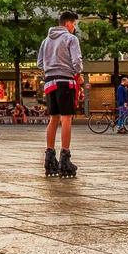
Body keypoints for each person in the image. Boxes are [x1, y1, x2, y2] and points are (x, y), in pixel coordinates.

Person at [37, 11, 83, 177]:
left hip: (50, 82)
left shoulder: (46, 40)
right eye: (74, 24)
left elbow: (39, 63)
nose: (74, 28)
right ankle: (65, 157)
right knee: (66, 118)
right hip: (65, 80)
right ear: (69, 23)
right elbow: (77, 61)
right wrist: (77, 71)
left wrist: (50, 69)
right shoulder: (71, 39)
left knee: (53, 119)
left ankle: (49, 157)